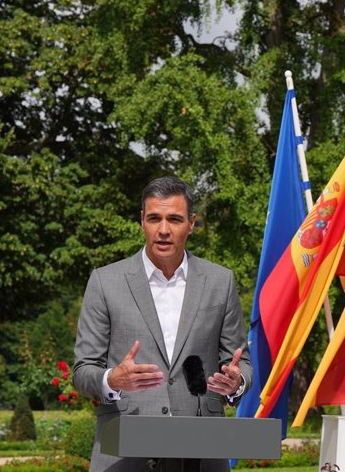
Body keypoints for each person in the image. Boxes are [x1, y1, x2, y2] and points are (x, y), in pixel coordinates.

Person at [73, 176, 252, 472]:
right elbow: (83, 371)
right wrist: (112, 380)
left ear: (191, 223)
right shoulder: (105, 282)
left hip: (202, 451)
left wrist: (237, 381)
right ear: (142, 221)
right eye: (155, 218)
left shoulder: (220, 281)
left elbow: (239, 362)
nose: (164, 230)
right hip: (124, 453)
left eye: (175, 219)